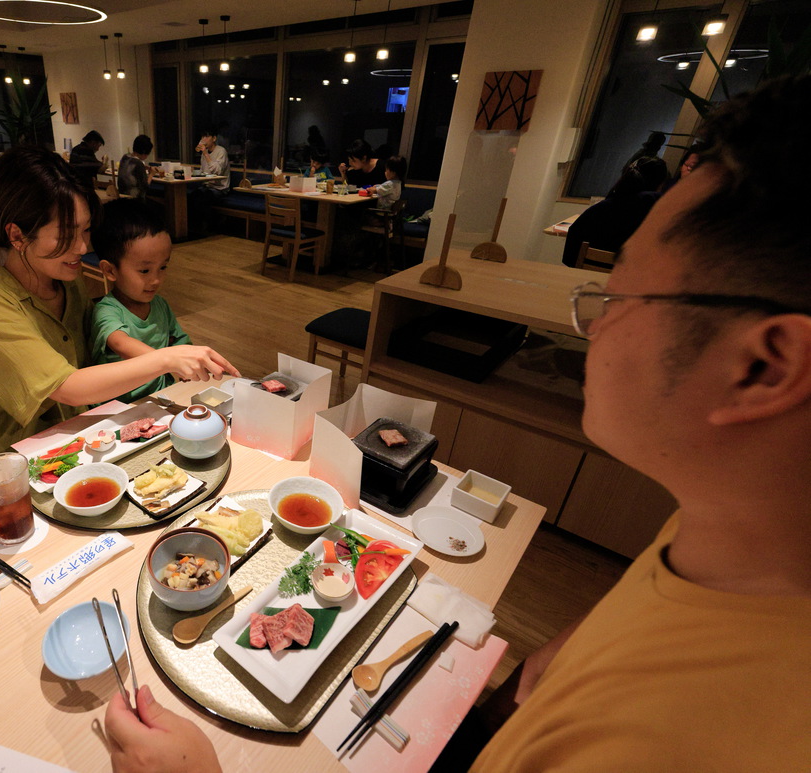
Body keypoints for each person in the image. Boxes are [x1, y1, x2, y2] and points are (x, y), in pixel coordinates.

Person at [104, 75, 811, 772]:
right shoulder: (725, 528)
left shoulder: (710, 737)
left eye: (618, 289)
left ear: (763, 366)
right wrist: (557, 659)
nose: (590, 320)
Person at [0, 147, 238, 461]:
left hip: (91, 441)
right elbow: (67, 387)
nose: (83, 246)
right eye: (66, 235)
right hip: (22, 465)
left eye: (86, 229)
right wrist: (166, 359)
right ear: (18, 236)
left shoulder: (68, 282)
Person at [89, 199, 192, 402]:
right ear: (110, 270)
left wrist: (189, 362)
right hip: (119, 405)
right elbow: (120, 342)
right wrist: (168, 360)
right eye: (144, 270)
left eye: (163, 267)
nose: (156, 279)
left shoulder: (160, 305)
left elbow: (179, 341)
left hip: (160, 395)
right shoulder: (107, 310)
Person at [561, 154, 667, 267]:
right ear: (659, 184)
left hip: (587, 278)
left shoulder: (602, 208)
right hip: (630, 280)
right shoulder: (659, 216)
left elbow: (570, 254)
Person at [188, 130, 230, 237]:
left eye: (207, 137)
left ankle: (210, 228)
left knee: (203, 199)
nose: (204, 139)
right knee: (191, 197)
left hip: (220, 189)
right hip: (207, 186)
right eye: (202, 136)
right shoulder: (204, 153)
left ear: (214, 138)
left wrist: (206, 154)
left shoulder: (221, 151)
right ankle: (193, 229)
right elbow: (204, 172)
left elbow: (218, 171)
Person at [118, 135, 154, 199]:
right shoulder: (139, 164)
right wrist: (151, 174)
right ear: (144, 152)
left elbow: (132, 164)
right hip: (135, 201)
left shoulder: (125, 157)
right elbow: (145, 187)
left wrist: (144, 167)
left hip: (121, 197)